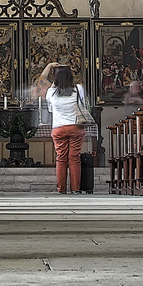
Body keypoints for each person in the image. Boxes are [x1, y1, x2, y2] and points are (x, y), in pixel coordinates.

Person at [43, 62, 89, 193]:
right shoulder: (78, 89)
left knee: (61, 158)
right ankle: (75, 189)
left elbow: (51, 109)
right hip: (75, 127)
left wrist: (51, 67)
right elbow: (83, 104)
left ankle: (61, 189)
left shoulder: (51, 92)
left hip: (59, 128)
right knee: (74, 158)